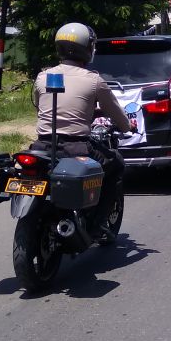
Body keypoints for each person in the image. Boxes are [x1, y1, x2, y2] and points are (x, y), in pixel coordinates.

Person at [33, 22, 131, 242]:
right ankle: (97, 224)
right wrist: (127, 127)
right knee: (116, 165)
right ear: (88, 48)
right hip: (75, 146)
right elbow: (115, 112)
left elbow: (41, 107)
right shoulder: (94, 80)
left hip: (41, 146)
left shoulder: (43, 76)